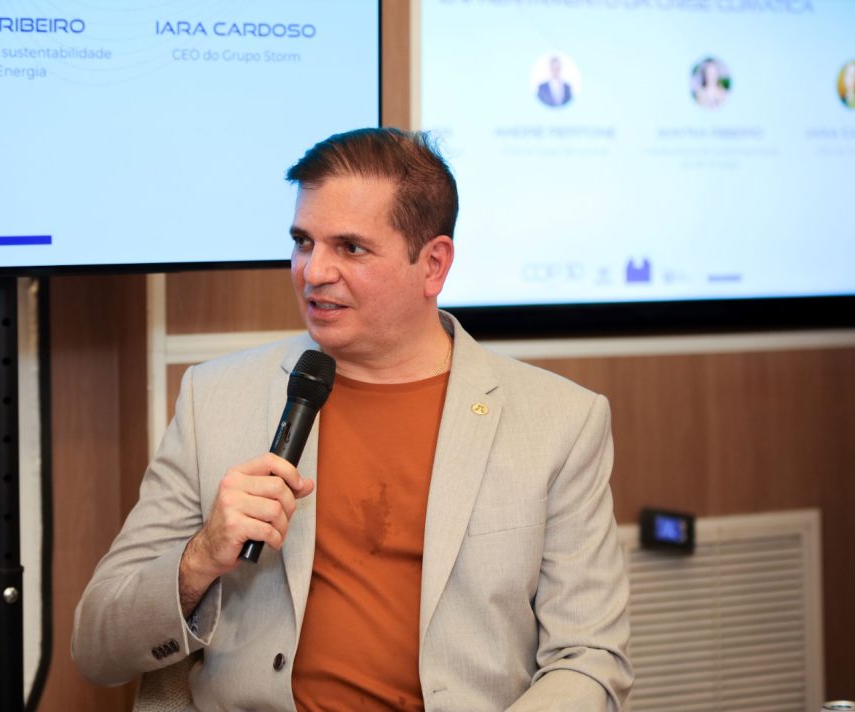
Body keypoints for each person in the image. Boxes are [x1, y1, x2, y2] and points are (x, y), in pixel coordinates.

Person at [72, 128, 632, 710]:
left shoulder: (561, 422)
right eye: (302, 241)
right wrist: (200, 558)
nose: (313, 272)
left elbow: (589, 659)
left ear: (433, 265)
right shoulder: (214, 398)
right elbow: (96, 646)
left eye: (350, 248)